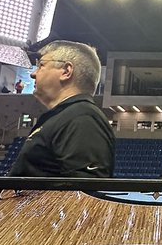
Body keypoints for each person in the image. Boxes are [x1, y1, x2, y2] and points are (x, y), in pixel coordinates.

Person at [8, 41, 115, 178]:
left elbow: (84, 194)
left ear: (66, 71)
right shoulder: (67, 116)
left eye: (41, 65)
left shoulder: (83, 119)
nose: (33, 74)